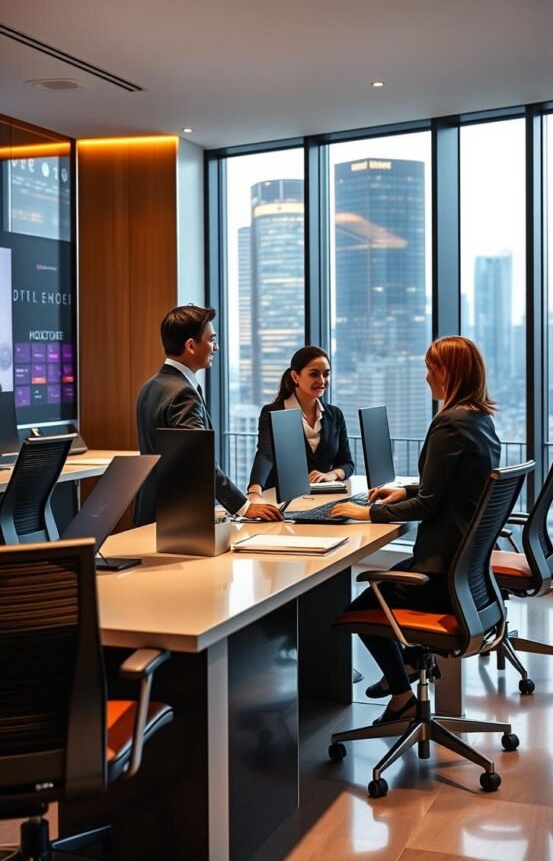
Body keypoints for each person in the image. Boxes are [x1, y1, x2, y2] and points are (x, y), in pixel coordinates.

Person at [330, 335, 501, 724]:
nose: (426, 377)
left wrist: (364, 514)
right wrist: (401, 489)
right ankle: (407, 667)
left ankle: (404, 692)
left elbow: (428, 504)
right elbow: (450, 486)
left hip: (441, 575)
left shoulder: (450, 423)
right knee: (384, 585)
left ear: (448, 373)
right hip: (465, 572)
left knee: (360, 609)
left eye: (431, 369)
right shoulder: (479, 419)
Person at [135, 304, 282, 525]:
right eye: (211, 340)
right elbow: (199, 461)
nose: (216, 347)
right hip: (178, 523)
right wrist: (243, 506)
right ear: (191, 346)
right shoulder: (183, 392)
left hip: (151, 514)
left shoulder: (151, 386)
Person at [247, 345, 354, 500]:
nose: (322, 381)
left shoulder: (335, 414)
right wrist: (254, 492)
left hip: (322, 500)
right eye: (314, 374)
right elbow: (266, 455)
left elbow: (347, 463)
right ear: (295, 376)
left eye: (326, 374)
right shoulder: (274, 412)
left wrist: (331, 475)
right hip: (282, 500)